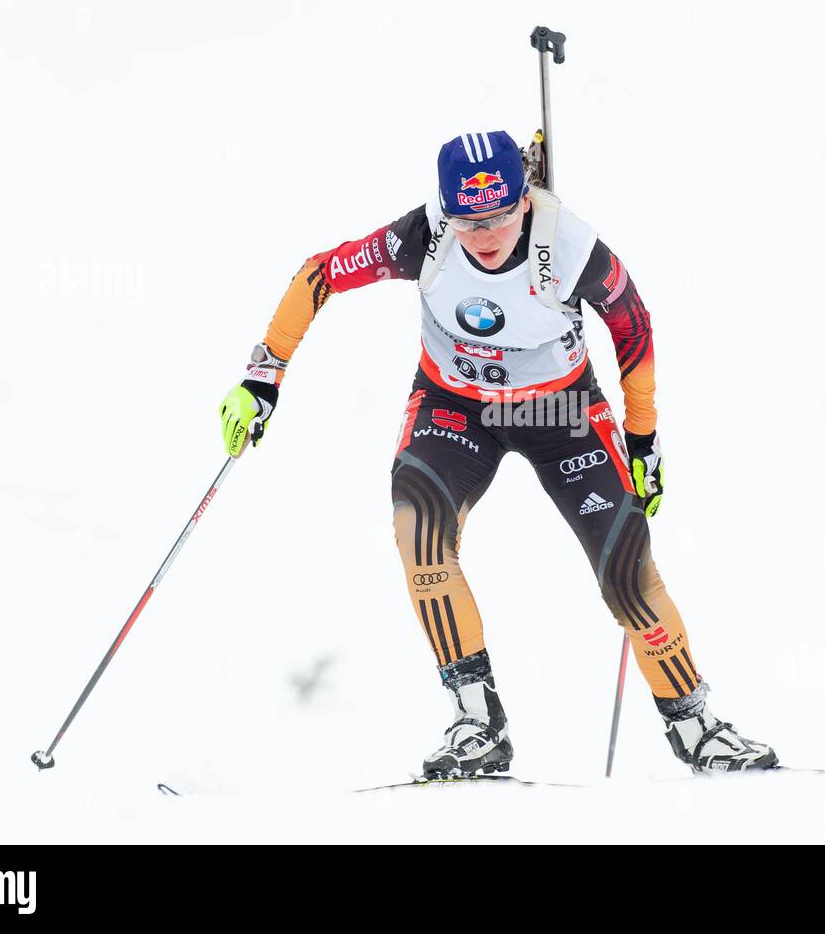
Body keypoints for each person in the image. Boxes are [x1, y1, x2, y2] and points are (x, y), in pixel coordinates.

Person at [219, 130, 777, 776]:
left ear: (525, 201)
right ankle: (477, 722)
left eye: (501, 215)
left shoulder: (570, 247)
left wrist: (644, 439)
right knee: (418, 530)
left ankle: (696, 725)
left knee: (626, 568)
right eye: (468, 220)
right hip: (455, 406)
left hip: (560, 411)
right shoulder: (421, 237)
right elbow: (322, 273)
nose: (484, 234)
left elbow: (634, 330)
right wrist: (264, 376)